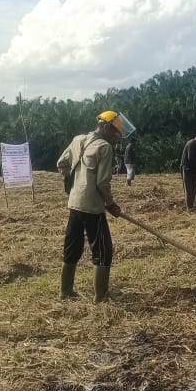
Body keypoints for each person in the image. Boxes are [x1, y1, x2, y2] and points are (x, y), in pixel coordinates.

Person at [56, 110, 134, 302]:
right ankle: (101, 296)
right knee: (103, 249)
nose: (117, 137)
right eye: (115, 132)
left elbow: (61, 164)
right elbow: (102, 182)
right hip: (92, 207)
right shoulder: (104, 147)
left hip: (74, 203)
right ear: (106, 127)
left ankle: (65, 292)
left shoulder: (78, 140)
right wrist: (111, 203)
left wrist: (75, 184)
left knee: (72, 246)